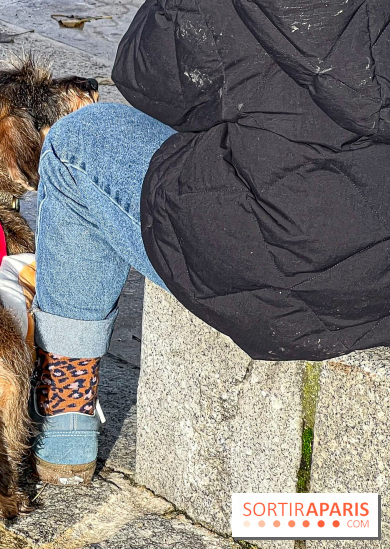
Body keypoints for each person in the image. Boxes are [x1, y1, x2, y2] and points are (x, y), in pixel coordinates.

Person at [30, 0, 390, 484]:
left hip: (252, 260)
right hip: (379, 277)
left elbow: (147, 80)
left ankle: (67, 421)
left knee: (75, 144)